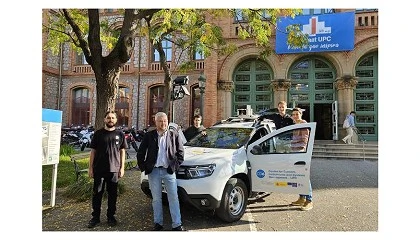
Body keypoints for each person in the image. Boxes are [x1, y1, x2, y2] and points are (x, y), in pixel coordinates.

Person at [136, 112, 186, 231]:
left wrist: (173, 167)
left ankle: (177, 224)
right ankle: (158, 223)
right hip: (153, 172)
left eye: (165, 121)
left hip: (169, 171)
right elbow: (140, 153)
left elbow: (181, 154)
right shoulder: (149, 135)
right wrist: (144, 168)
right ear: (156, 122)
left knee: (173, 197)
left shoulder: (174, 135)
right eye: (160, 121)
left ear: (167, 122)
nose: (163, 123)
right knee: (157, 199)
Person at [87, 111, 128, 228]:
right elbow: (93, 152)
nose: (110, 120)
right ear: (105, 119)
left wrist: (122, 168)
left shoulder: (120, 134)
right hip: (99, 169)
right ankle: (95, 217)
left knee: (112, 195)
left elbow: (122, 151)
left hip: (114, 169)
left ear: (116, 120)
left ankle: (111, 217)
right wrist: (90, 168)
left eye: (113, 118)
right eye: (108, 118)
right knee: (97, 194)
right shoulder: (98, 134)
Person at [290, 108, 313, 211]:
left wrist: (301, 152)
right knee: (298, 177)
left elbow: (305, 140)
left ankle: (309, 200)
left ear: (301, 114)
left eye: (297, 114)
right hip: (295, 152)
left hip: (300, 153)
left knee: (304, 177)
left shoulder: (303, 124)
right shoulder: (295, 125)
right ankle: (301, 198)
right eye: (293, 114)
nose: (295, 116)